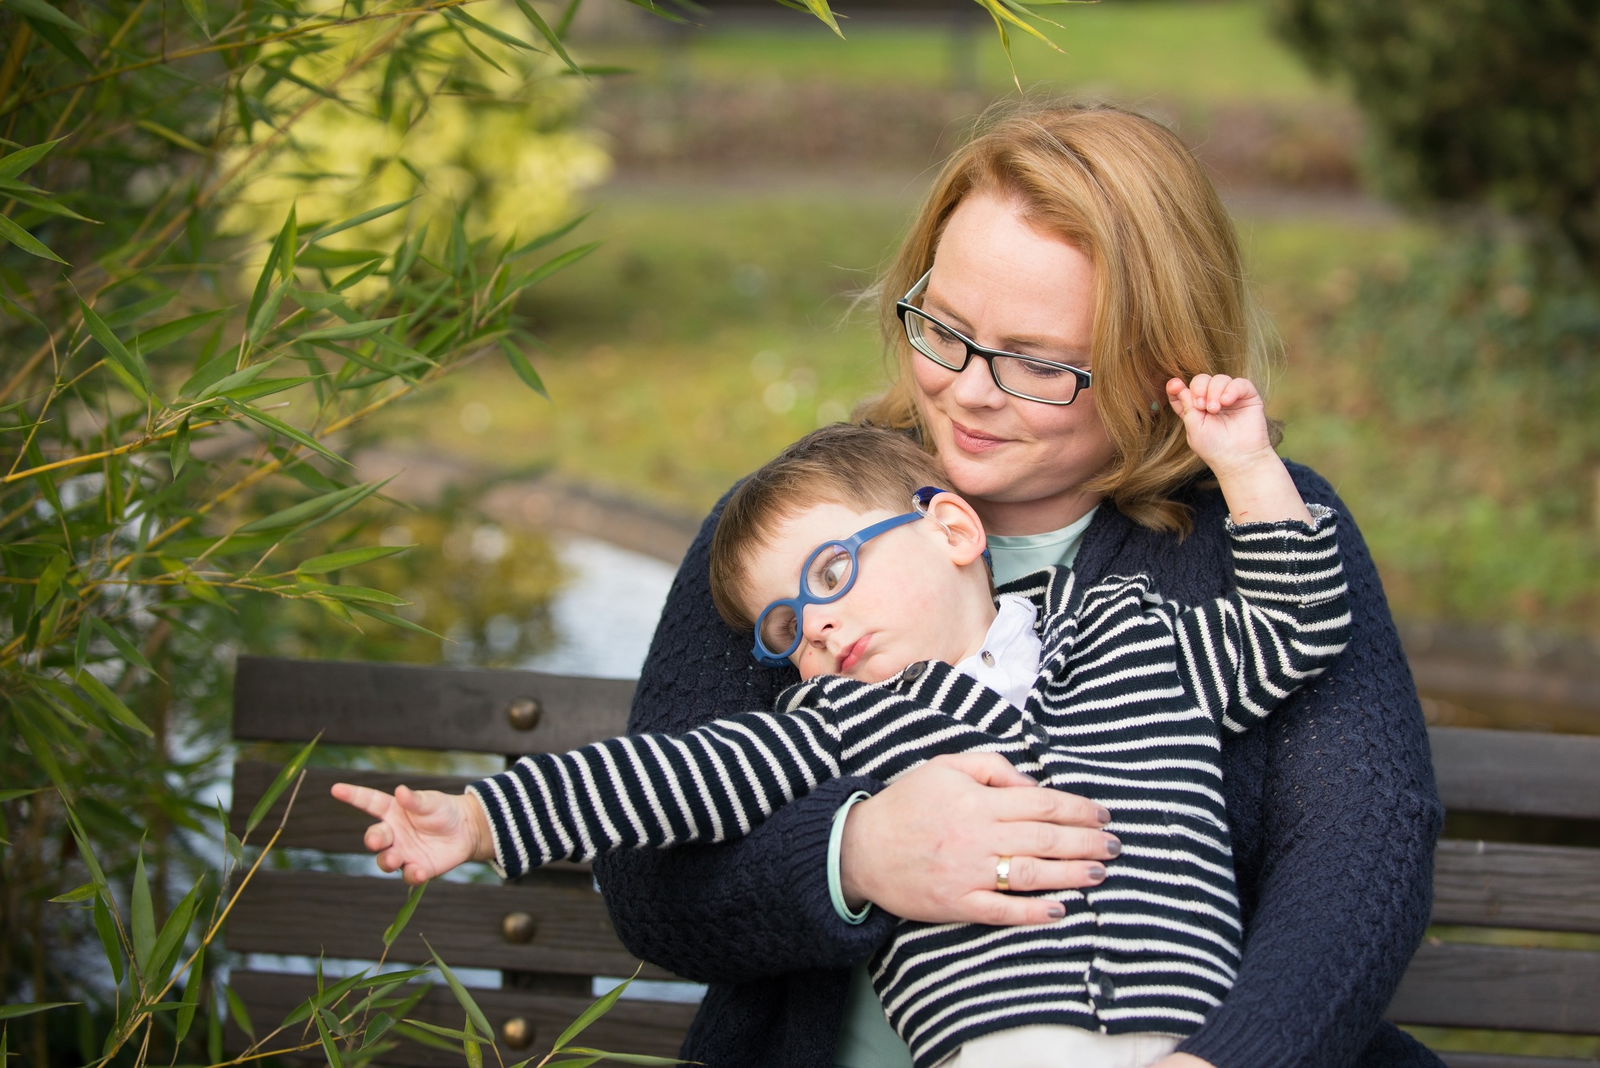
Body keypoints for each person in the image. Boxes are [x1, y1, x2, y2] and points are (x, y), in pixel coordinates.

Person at [591, 101, 1444, 1068]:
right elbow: (650, 882)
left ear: (1159, 365)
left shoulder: (1264, 527)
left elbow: (1361, 850)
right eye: (946, 329)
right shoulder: (799, 541)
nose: (968, 391)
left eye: (1036, 362)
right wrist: (855, 857)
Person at [333, 377, 1350, 1068]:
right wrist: (486, 818)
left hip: (1192, 1034)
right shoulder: (841, 723)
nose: (813, 627)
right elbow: (663, 778)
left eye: (831, 574)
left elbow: (1294, 627)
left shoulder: (1132, 634)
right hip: (1002, 1044)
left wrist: (1247, 468)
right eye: (785, 626)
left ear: (951, 530)